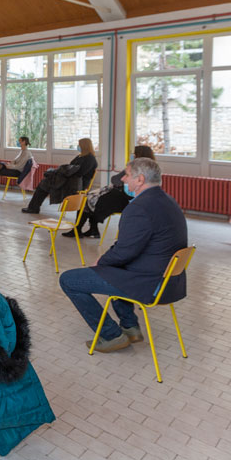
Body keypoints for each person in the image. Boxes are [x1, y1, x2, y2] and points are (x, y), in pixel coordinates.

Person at [58, 158, 188, 352]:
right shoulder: (167, 200)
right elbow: (131, 248)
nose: (123, 180)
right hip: (169, 281)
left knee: (69, 280)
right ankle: (130, 327)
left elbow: (124, 252)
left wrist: (100, 261)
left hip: (150, 284)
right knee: (114, 268)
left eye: (127, 175)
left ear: (140, 179)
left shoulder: (139, 208)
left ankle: (111, 335)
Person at [65, 145, 155, 239]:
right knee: (93, 198)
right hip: (131, 200)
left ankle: (79, 229)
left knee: (89, 200)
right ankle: (92, 229)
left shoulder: (134, 168)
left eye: (134, 154)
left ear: (139, 156)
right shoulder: (152, 170)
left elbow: (115, 180)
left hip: (122, 200)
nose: (131, 155)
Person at [22, 138, 98, 214]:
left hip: (77, 184)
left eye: (79, 145)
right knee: (44, 183)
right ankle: (33, 207)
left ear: (84, 146)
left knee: (44, 184)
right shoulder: (80, 156)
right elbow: (71, 166)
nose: (78, 146)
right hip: (70, 179)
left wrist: (64, 173)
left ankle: (33, 208)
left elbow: (79, 173)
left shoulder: (90, 159)